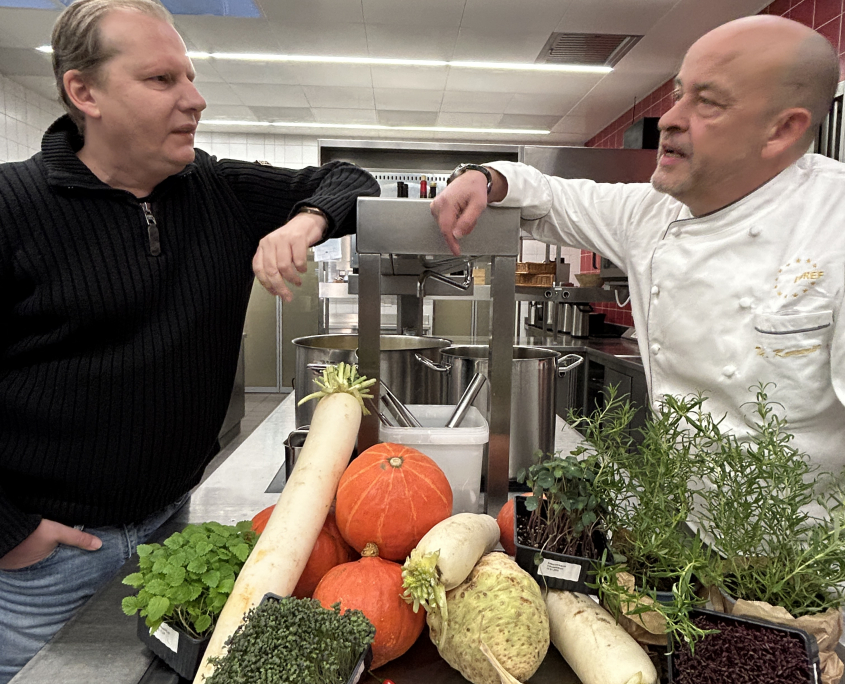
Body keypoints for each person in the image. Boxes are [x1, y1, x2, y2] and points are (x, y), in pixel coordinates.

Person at [0, 0, 378, 680]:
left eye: (190, 78)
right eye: (161, 80)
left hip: (171, 528)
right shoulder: (11, 208)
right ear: (84, 92)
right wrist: (9, 532)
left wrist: (304, 222)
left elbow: (351, 180)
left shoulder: (218, 189)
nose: (195, 100)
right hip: (42, 568)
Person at [433, 16, 844, 479]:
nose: (669, 119)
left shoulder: (834, 226)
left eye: (707, 102)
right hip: (675, 510)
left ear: (782, 130)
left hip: (806, 525)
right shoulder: (651, 212)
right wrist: (484, 176)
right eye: (678, 95)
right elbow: (548, 196)